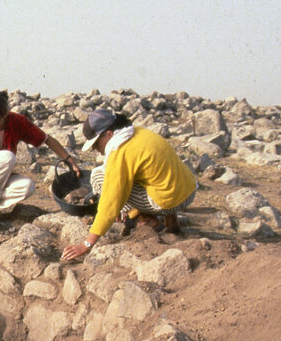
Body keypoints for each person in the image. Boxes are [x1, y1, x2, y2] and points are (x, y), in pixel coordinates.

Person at [61, 109, 198, 262]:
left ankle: (145, 218)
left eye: (95, 143)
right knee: (146, 175)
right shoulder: (138, 132)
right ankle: (170, 219)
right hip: (188, 192)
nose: (94, 148)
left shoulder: (121, 152)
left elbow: (110, 202)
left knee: (99, 175)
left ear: (109, 134)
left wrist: (86, 244)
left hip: (168, 202)